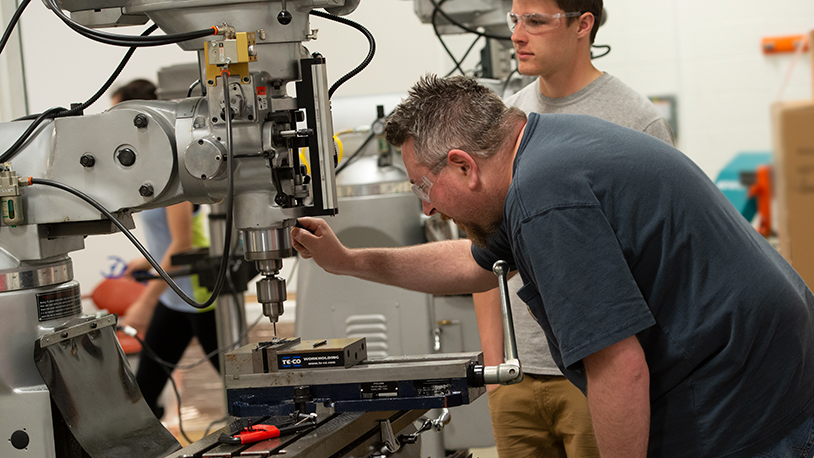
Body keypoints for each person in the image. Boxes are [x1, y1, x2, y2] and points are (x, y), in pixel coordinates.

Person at [290, 75, 814, 458]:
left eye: (423, 187)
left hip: (747, 402)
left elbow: (619, 367)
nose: (426, 207)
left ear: (463, 166)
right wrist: (350, 261)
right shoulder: (544, 151)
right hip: (768, 370)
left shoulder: (545, 197)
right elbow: (474, 266)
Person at [474, 0, 673, 456]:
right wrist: (495, 360)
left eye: (536, 22)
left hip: (597, 373)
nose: (518, 35)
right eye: (515, 20)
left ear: (584, 24)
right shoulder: (507, 121)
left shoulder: (635, 120)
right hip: (517, 375)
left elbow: (661, 257)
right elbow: (485, 247)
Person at [113, 79, 220, 419]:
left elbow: (183, 242)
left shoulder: (175, 170)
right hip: (175, 297)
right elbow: (166, 239)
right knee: (143, 393)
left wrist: (144, 301)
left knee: (237, 387)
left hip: (202, 297)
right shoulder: (152, 172)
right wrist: (144, 260)